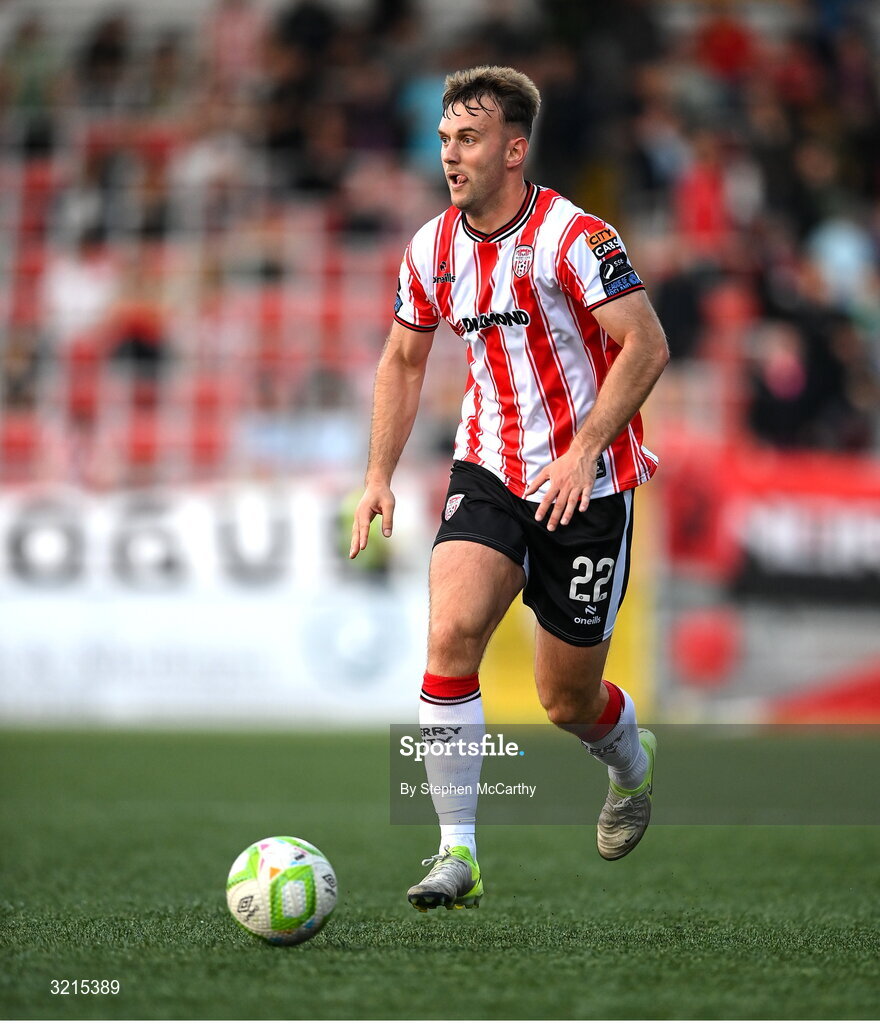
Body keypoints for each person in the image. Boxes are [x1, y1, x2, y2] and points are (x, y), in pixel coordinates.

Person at [350, 66, 669, 912]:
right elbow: (403, 358)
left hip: (587, 487)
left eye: (469, 138)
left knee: (567, 699)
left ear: (514, 149)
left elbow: (645, 346)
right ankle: (457, 854)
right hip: (488, 470)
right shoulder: (432, 248)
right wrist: (378, 474)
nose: (450, 154)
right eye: (446, 138)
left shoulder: (577, 236)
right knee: (451, 632)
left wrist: (583, 448)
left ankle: (631, 770)